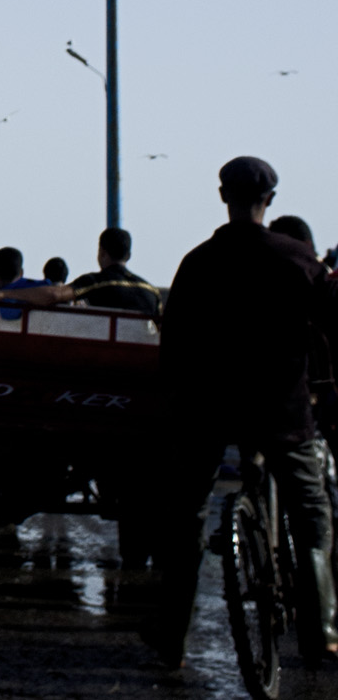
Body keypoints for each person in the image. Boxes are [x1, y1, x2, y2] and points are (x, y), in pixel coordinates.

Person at [146, 157, 338, 667]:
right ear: (269, 200)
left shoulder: (197, 262)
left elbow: (173, 347)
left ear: (222, 197)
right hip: (281, 411)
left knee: (187, 517)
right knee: (312, 513)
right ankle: (324, 630)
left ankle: (171, 639)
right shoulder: (297, 259)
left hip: (206, 411)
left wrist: (177, 404)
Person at [0, 229, 161, 317]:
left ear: (101, 253)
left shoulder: (96, 282)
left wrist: (4, 295)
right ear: (129, 255)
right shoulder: (152, 292)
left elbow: (54, 295)